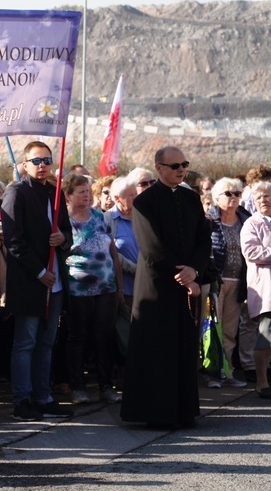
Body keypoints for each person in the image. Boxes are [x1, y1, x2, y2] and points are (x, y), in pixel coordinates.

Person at [120, 147, 211, 428]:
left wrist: (194, 270)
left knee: (184, 347)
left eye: (184, 164)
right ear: (159, 168)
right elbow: (151, 247)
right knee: (158, 350)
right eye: (174, 165)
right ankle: (156, 413)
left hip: (187, 284)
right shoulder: (144, 202)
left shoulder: (191, 198)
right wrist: (182, 274)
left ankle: (183, 412)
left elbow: (203, 239)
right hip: (157, 287)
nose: (180, 169)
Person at [1, 141, 74, 421]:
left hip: (55, 280)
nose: (42, 166)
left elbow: (66, 229)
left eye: (46, 160)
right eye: (36, 161)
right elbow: (14, 241)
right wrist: (39, 272)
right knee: (26, 342)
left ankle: (43, 395)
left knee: (47, 342)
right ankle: (22, 399)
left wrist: (63, 238)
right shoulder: (16, 193)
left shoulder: (55, 193)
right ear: (24, 165)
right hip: (31, 280)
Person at [62, 173, 123, 405]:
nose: (87, 195)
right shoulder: (62, 222)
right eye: (81, 192)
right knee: (78, 337)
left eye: (88, 191)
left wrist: (117, 285)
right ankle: (77, 387)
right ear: (68, 195)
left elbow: (113, 254)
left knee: (104, 337)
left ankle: (106, 386)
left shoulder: (100, 217)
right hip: (77, 289)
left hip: (106, 287)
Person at [206, 178, 250, 388]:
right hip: (217, 282)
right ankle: (213, 374)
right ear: (216, 198)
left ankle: (228, 372)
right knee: (214, 327)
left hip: (238, 282)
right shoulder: (209, 221)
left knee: (231, 330)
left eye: (237, 193)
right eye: (228, 193)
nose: (233, 197)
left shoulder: (245, 220)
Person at [240, 181, 271, 398]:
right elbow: (252, 253)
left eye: (267, 196)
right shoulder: (251, 224)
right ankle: (261, 381)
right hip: (266, 289)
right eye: (258, 198)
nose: (263, 200)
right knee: (266, 335)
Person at [108, 177, 139, 307]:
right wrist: (135, 269)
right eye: (131, 195)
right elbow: (109, 252)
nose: (135, 198)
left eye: (136, 194)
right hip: (124, 289)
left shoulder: (142, 217)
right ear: (117, 198)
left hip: (147, 285)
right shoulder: (107, 220)